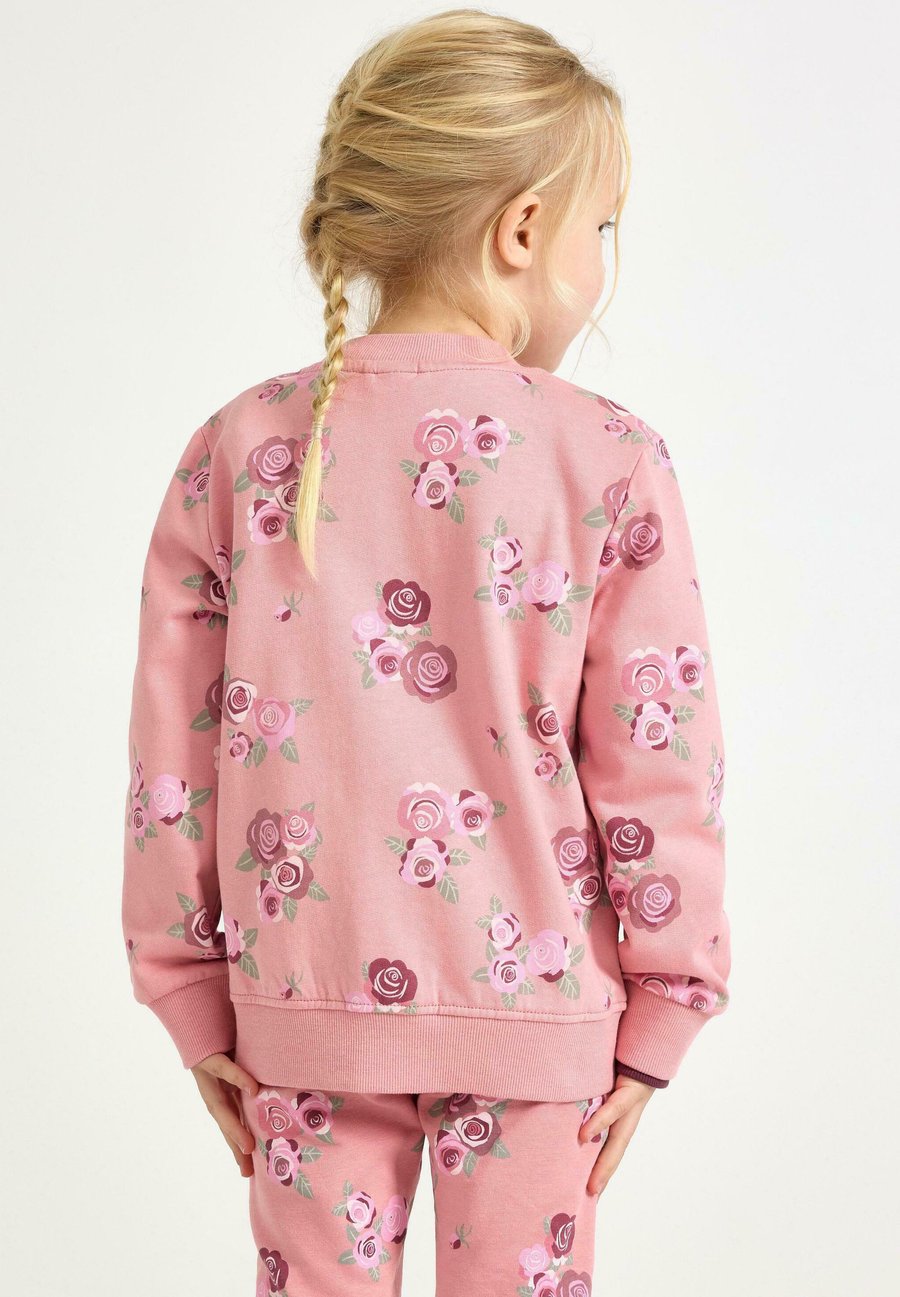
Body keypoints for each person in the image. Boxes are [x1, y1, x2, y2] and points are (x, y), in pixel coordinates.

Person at [121, 10, 731, 1294]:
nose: (604, 261)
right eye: (602, 226)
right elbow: (658, 760)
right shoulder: (609, 457)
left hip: (299, 1012)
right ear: (524, 229)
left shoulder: (241, 447)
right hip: (541, 1019)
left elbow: (171, 762)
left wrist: (188, 990)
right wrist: (663, 1007)